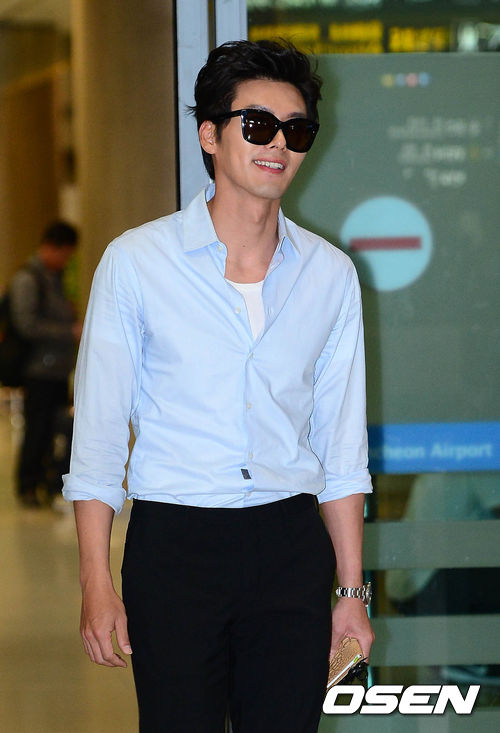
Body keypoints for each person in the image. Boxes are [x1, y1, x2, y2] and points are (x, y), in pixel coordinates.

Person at [63, 40, 374, 732]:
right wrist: (95, 581)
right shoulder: (137, 263)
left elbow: (341, 447)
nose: (279, 144)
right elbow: (100, 440)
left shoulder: (329, 275)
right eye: (257, 125)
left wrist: (351, 593)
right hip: (176, 543)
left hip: (290, 544)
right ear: (209, 135)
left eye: (297, 130)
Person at [9, 221, 81, 507]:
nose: (66, 261)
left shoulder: (54, 278)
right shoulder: (28, 279)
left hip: (56, 370)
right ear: (53, 247)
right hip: (37, 370)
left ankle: (46, 483)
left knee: (52, 430)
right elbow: (26, 324)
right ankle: (28, 485)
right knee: (37, 430)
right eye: (66, 254)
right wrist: (68, 331)